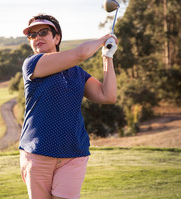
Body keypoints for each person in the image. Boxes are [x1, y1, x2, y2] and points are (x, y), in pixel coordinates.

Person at [19, 14, 118, 199]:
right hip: (37, 151)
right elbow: (80, 54)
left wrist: (107, 56)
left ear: (56, 38)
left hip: (74, 152)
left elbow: (108, 96)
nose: (37, 37)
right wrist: (102, 39)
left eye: (43, 32)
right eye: (32, 35)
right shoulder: (32, 65)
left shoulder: (78, 73)